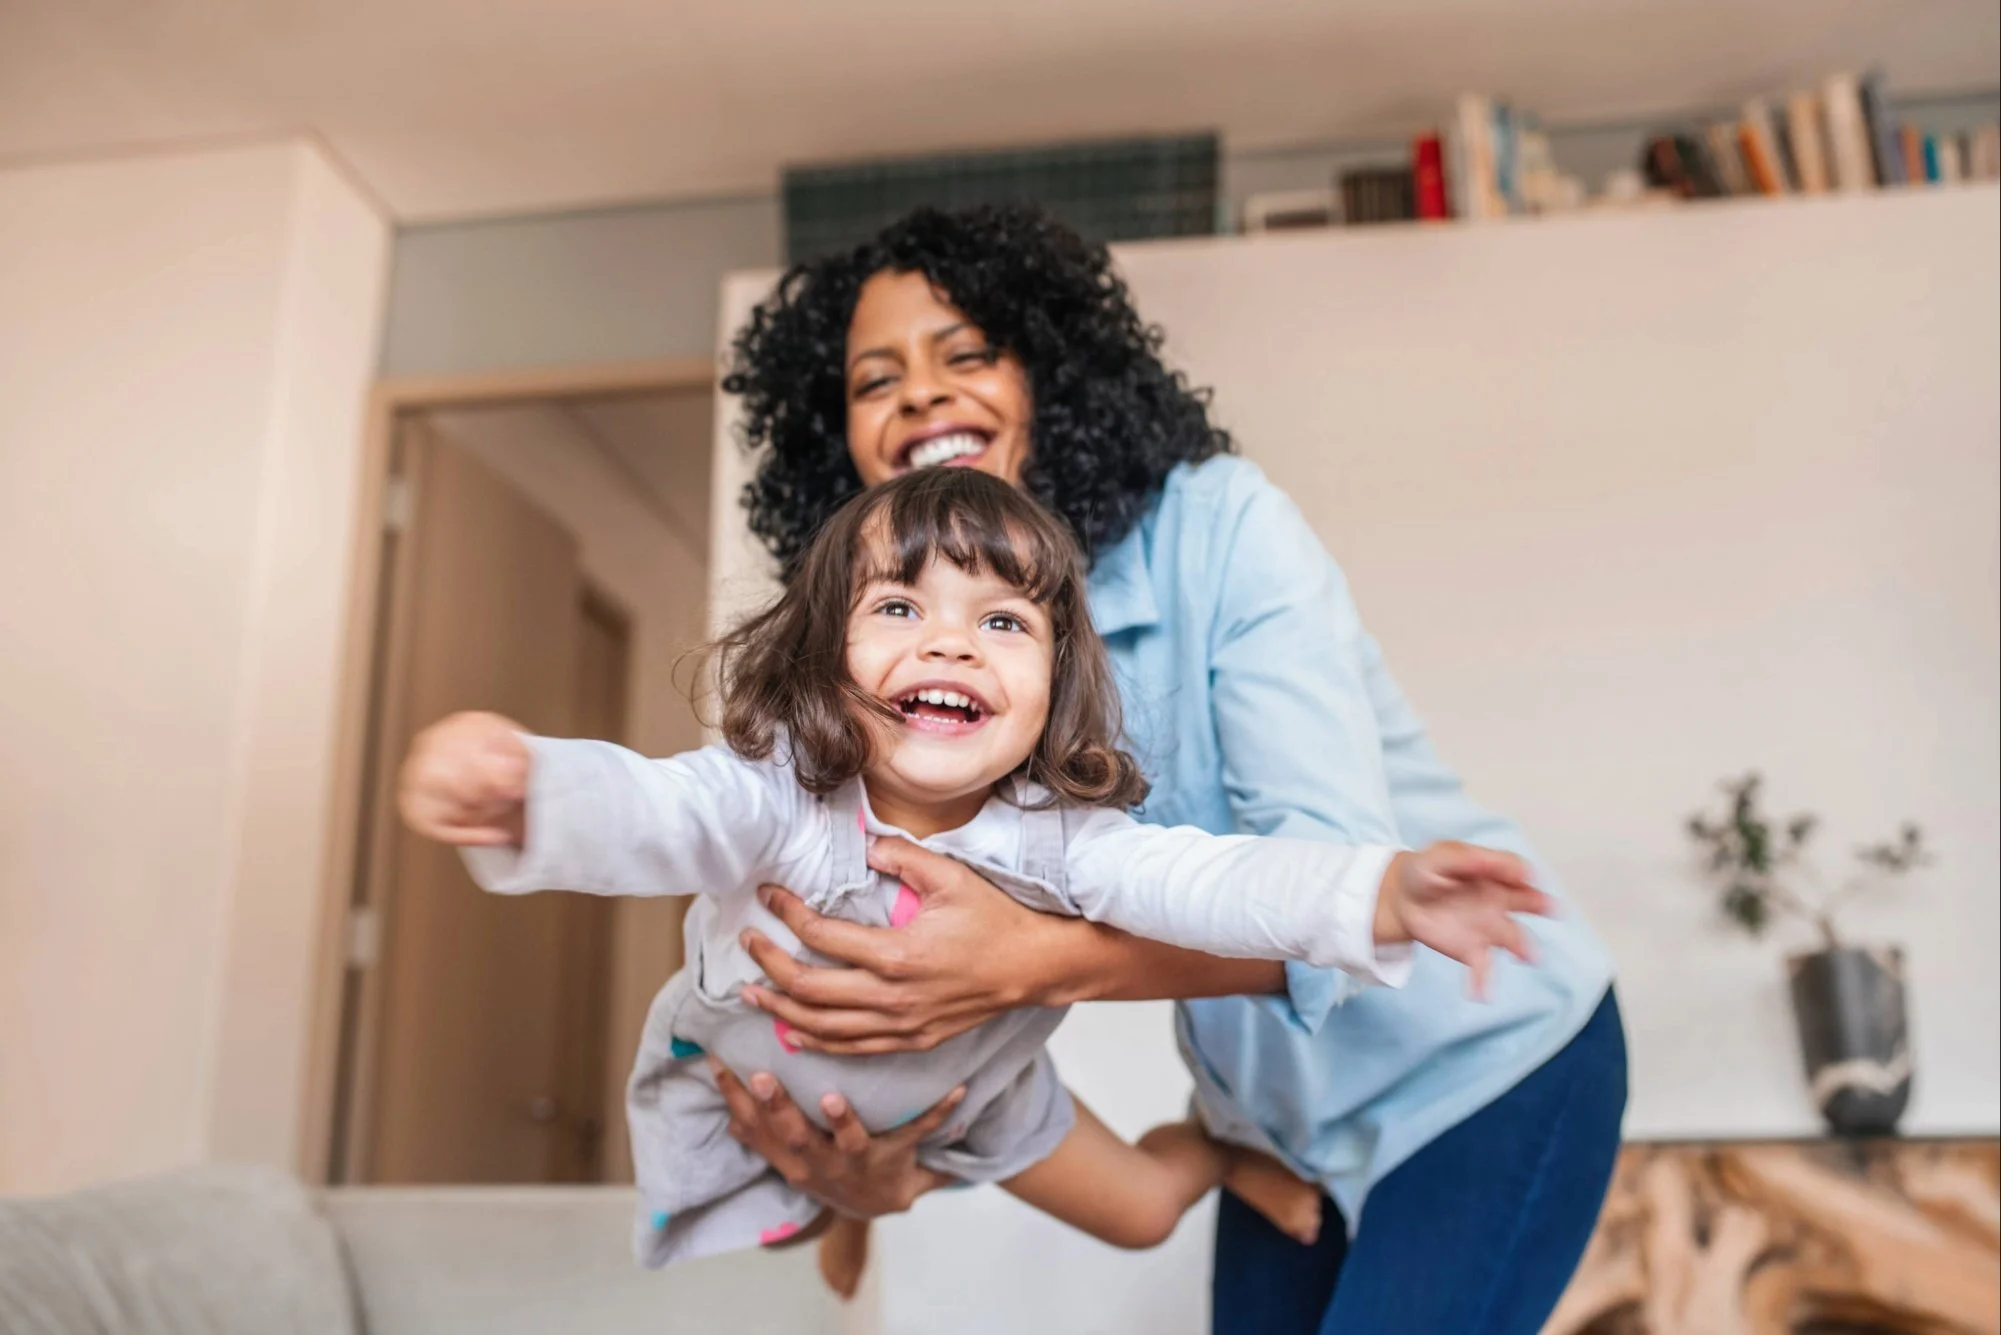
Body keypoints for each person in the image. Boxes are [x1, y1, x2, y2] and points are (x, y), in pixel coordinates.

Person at [710, 204, 1628, 1334]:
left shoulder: (1228, 530)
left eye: (968, 353)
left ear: (1051, 371)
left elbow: (1325, 884)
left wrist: (1038, 963)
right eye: (873, 380)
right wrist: (875, 1179)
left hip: (1486, 1064)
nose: (921, 396)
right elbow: (919, 961)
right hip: (1272, 1129)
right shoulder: (911, 665)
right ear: (833, 438)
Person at [396, 467, 1552, 1282]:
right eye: (899, 608)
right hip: (775, 1091)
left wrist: (1381, 892)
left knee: (1146, 1216)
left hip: (981, 1094)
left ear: (1056, 684)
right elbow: (656, 807)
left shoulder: (1062, 837)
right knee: (786, 1219)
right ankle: (852, 1216)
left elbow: (1216, 881)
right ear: (821, 655)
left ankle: (1214, 1151)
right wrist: (526, 792)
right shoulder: (780, 796)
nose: (948, 642)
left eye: (1002, 624)